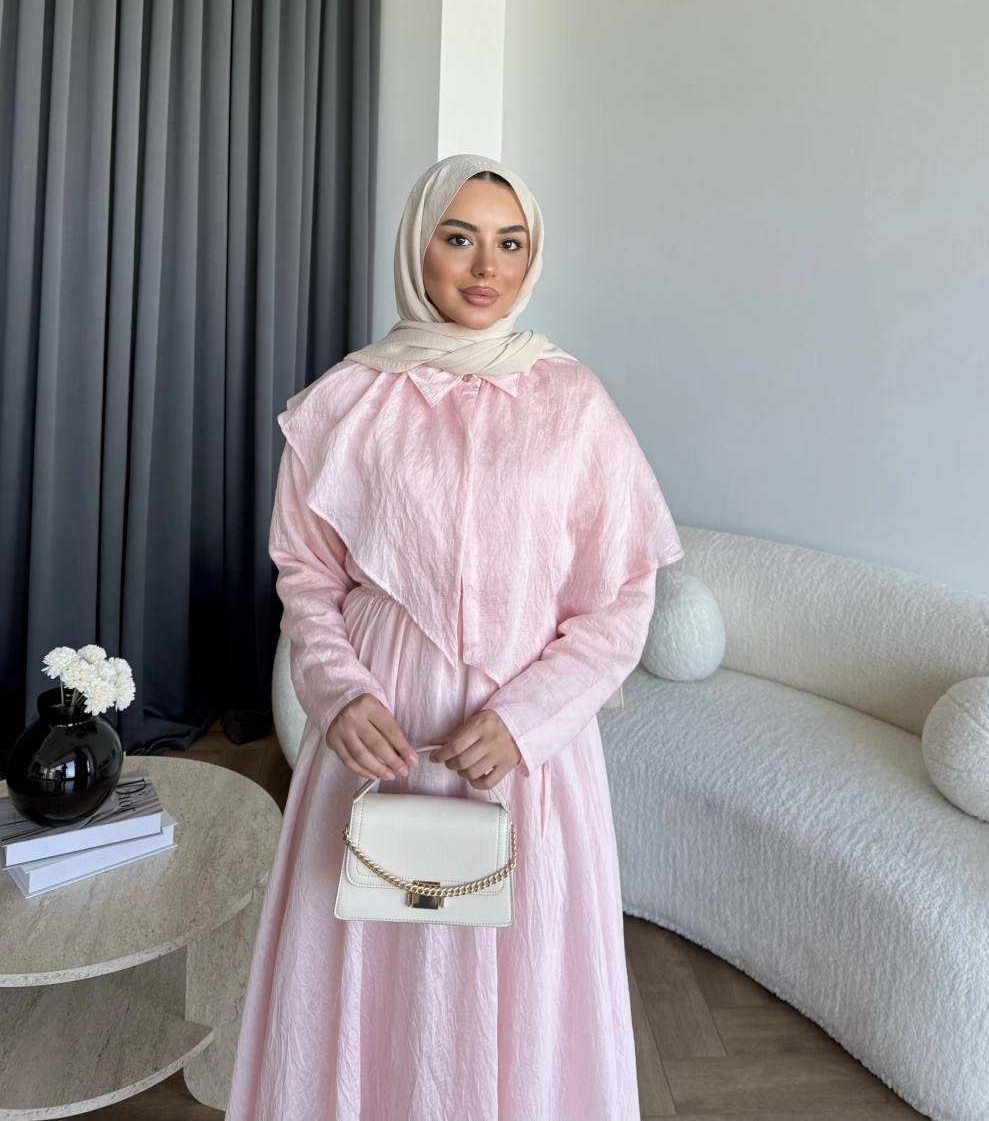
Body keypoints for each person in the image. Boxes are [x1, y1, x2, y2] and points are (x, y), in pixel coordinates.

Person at [224, 154, 684, 1121]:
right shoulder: (350, 397)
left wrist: (528, 719)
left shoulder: (575, 403)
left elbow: (621, 598)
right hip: (378, 728)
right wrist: (336, 691)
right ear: (416, 248)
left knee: (518, 975)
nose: (487, 267)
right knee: (368, 959)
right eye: (460, 237)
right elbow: (307, 576)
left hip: (525, 750)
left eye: (510, 242)